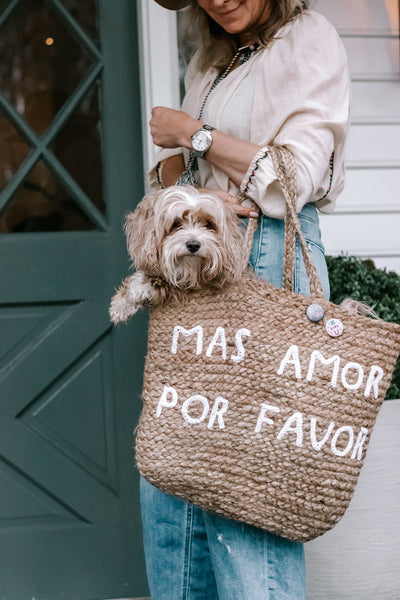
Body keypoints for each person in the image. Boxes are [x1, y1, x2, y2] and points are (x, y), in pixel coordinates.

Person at [142, 1, 350, 598]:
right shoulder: (212, 63)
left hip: (268, 266)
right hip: (203, 269)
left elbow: (294, 179)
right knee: (175, 484)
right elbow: (190, 178)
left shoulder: (308, 40)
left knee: (249, 495)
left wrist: (194, 134)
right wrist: (179, 170)